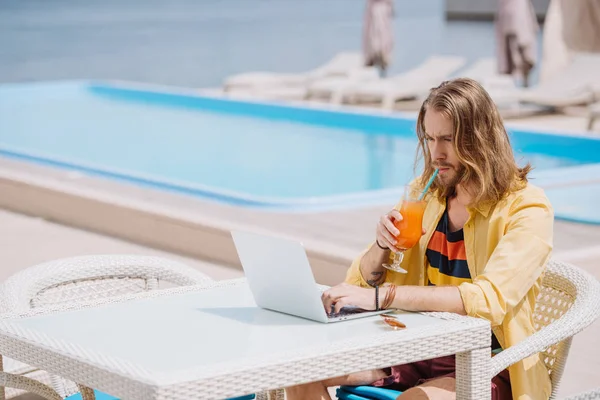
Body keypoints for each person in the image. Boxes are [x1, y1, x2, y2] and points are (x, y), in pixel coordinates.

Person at [285, 78, 554, 400]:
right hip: (415, 349)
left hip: (487, 361)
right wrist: (382, 247)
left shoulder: (526, 208)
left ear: (480, 139)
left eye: (448, 140)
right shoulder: (423, 194)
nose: (436, 153)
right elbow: (361, 282)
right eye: (429, 138)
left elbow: (487, 301)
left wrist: (385, 297)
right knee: (297, 369)